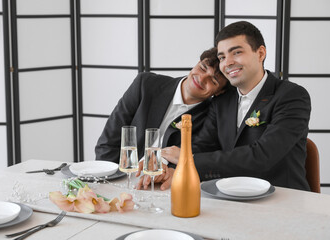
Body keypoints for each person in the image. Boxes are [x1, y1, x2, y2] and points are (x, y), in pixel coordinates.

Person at [163, 21, 311, 191]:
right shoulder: (222, 100)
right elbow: (202, 146)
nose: (228, 63)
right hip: (228, 196)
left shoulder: (291, 96)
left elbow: (262, 156)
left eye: (237, 52)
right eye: (222, 57)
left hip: (282, 198)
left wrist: (188, 159)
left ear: (260, 53)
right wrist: (169, 166)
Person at [95, 47, 228, 190]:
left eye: (213, 81)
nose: (201, 78)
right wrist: (107, 185)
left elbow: (195, 153)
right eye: (202, 68)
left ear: (219, 91)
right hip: (120, 180)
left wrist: (166, 170)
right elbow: (108, 142)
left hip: (165, 187)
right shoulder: (145, 84)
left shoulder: (213, 115)